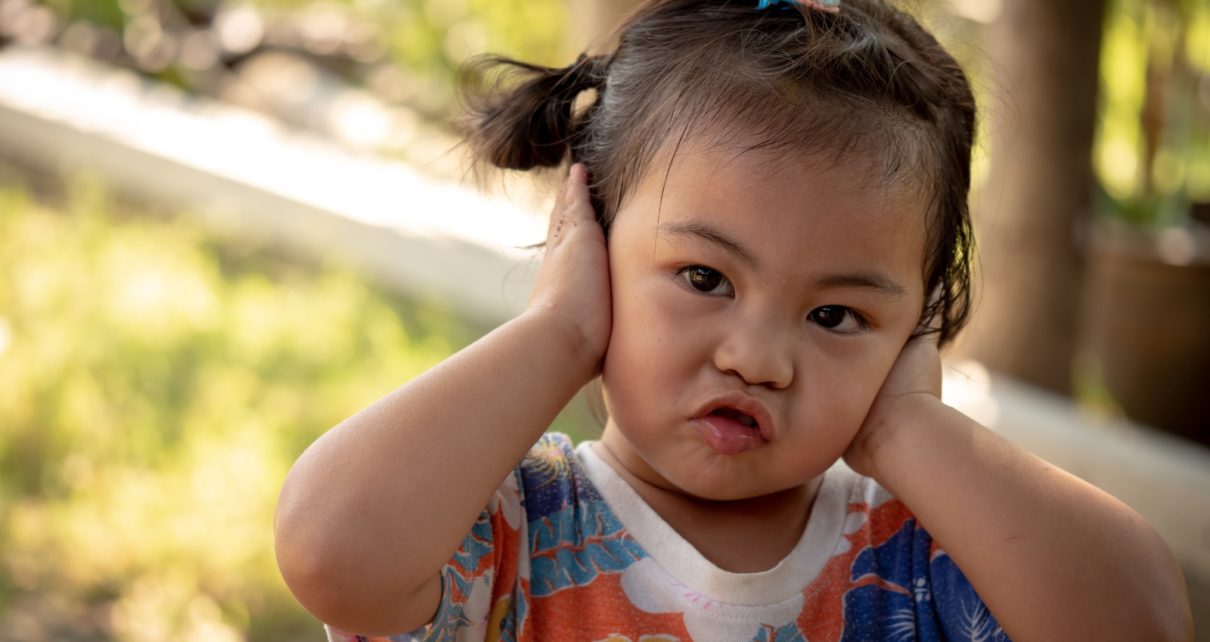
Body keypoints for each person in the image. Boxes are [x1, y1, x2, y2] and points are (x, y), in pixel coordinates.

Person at [274, 0, 1195, 639]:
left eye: (835, 314)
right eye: (704, 277)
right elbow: (328, 552)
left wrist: (909, 427)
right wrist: (558, 333)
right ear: (591, 248)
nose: (758, 358)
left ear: (919, 325)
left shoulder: (926, 559)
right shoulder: (514, 526)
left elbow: (1143, 626)